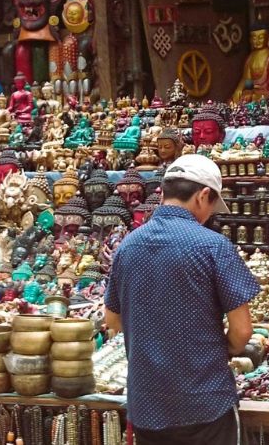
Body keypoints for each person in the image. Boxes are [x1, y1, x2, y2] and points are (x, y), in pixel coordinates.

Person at [104, 154, 260, 445]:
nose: (210, 214)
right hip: (206, 402)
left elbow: (112, 320)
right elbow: (242, 330)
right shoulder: (213, 246)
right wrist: (223, 351)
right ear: (203, 196)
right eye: (212, 205)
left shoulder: (128, 246)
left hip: (148, 404)